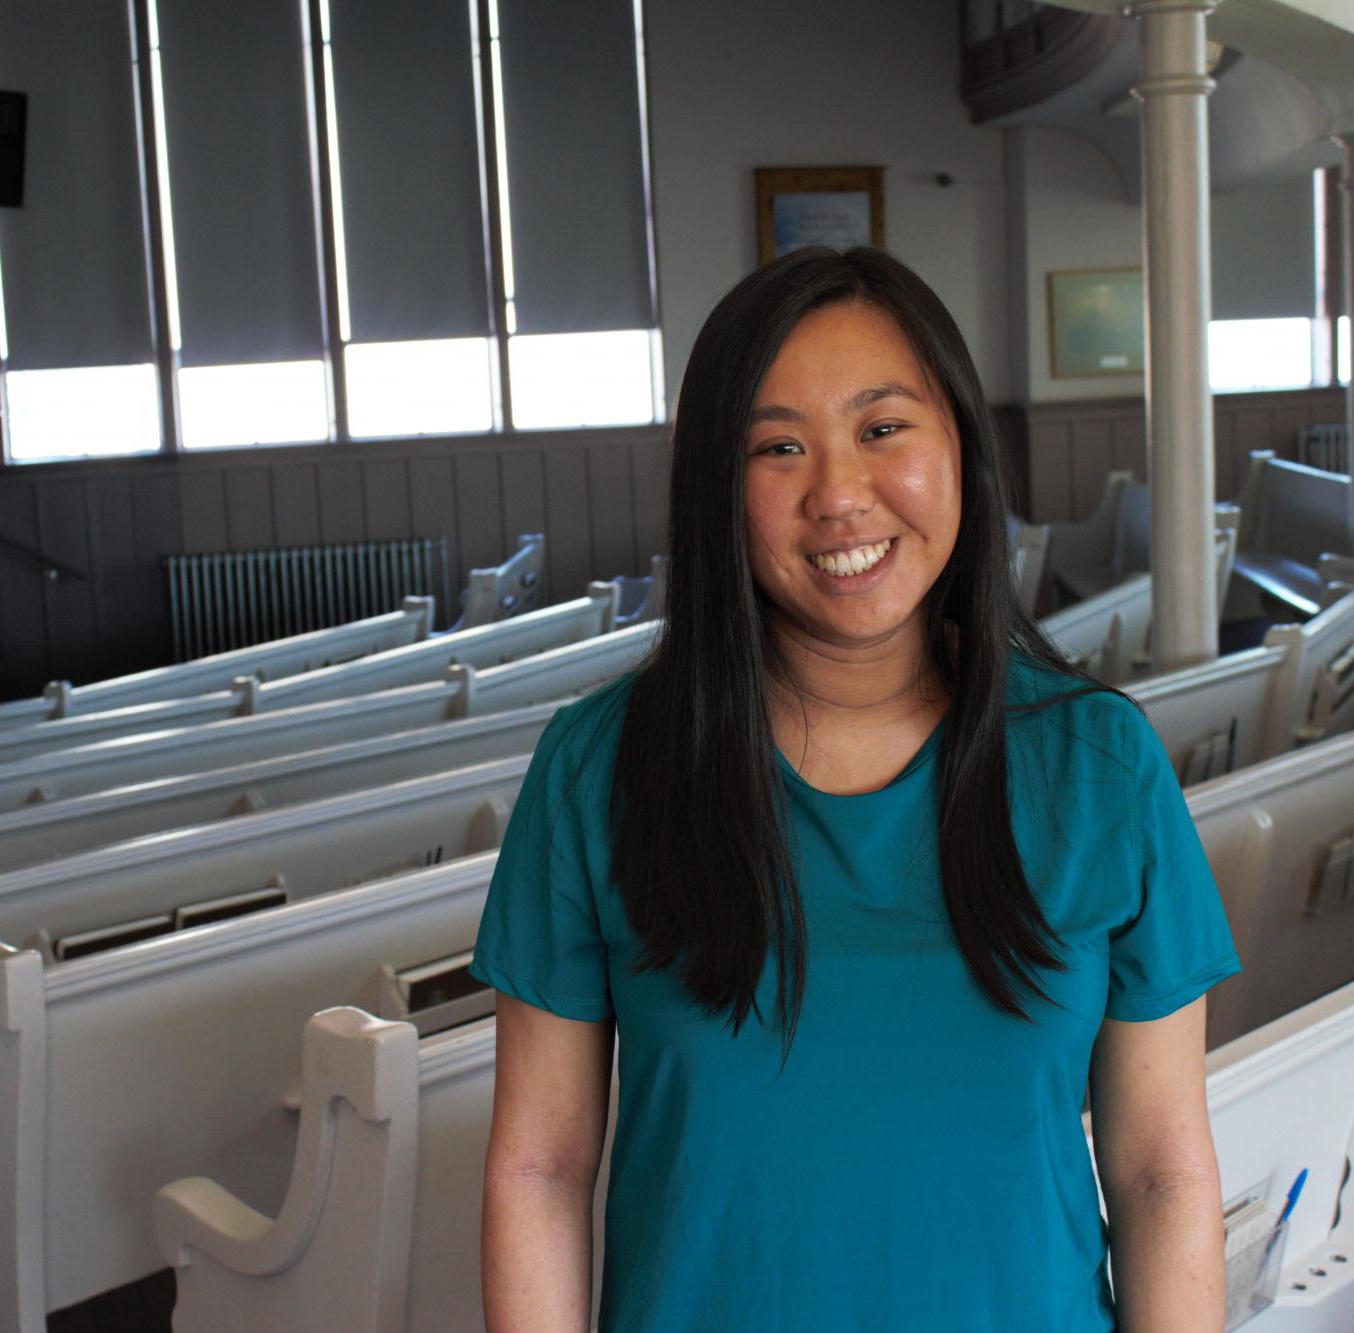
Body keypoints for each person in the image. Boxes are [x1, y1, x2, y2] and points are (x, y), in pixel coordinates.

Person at [470, 246, 1239, 1332]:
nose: (836, 494)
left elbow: (1160, 1168)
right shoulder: (600, 771)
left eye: (882, 429)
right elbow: (539, 1168)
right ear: (715, 491)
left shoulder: (1096, 765)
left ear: (960, 446)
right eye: (776, 446)